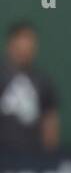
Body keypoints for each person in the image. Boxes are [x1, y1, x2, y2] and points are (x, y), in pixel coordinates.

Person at [0, 21, 59, 151]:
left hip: (32, 157)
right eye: (21, 41)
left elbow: (50, 122)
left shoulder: (43, 81)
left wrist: (49, 156)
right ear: (11, 44)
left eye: (30, 42)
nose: (26, 47)